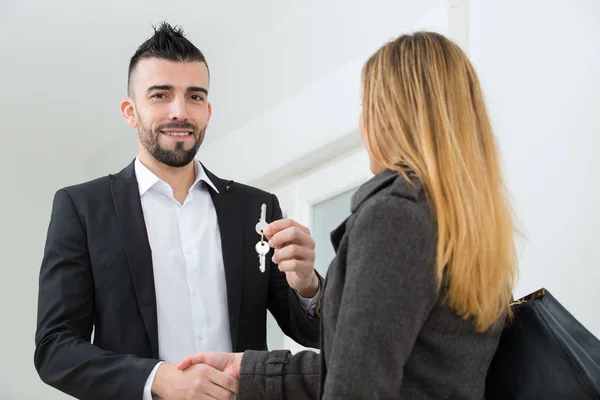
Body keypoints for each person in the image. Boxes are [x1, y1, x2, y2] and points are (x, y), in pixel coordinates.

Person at [177, 31, 519, 399]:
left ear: (390, 116)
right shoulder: (468, 224)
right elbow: (381, 365)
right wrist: (250, 370)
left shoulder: (394, 217)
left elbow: (356, 385)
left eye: (364, 107)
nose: (362, 125)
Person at [34, 22, 323, 400]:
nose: (179, 112)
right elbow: (55, 349)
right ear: (130, 111)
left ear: (208, 110)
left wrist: (308, 287)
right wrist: (157, 378)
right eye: (160, 95)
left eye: (194, 96)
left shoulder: (257, 207)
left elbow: (312, 333)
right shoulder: (82, 208)